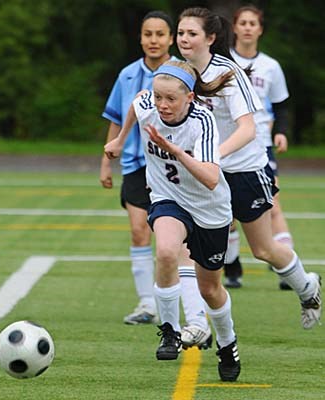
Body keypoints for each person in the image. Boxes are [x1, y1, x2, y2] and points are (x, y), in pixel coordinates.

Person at [175, 7, 321, 350]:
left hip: (244, 169)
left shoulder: (228, 73)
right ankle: (196, 323)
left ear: (210, 38)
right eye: (180, 32)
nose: (184, 39)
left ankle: (307, 287)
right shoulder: (177, 71)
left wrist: (213, 153)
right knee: (184, 246)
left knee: (264, 249)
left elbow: (248, 128)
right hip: (206, 174)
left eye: (191, 33)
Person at [105, 60, 241, 382]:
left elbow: (210, 178)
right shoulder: (147, 103)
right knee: (165, 251)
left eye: (171, 99)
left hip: (209, 209)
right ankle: (169, 330)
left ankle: (227, 343)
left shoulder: (202, 122)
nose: (162, 105)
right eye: (159, 97)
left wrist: (176, 151)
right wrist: (121, 140)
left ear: (189, 99)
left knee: (210, 289)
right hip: (169, 198)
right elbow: (137, 105)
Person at [100, 11, 175, 325]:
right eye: (148, 34)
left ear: (171, 38)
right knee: (138, 230)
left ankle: (178, 299)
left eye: (160, 34)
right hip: (134, 165)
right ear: (141, 38)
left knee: (171, 239)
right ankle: (148, 304)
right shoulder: (128, 74)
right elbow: (117, 119)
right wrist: (106, 161)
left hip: (172, 166)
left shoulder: (181, 73)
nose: (153, 40)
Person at [230, 4, 293, 290]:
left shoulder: (271, 66)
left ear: (260, 29)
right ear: (234, 27)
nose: (246, 27)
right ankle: (231, 268)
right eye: (242, 22)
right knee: (225, 211)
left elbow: (281, 106)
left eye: (252, 23)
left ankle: (286, 267)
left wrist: (280, 132)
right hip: (228, 145)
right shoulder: (222, 62)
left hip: (260, 145)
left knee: (273, 204)